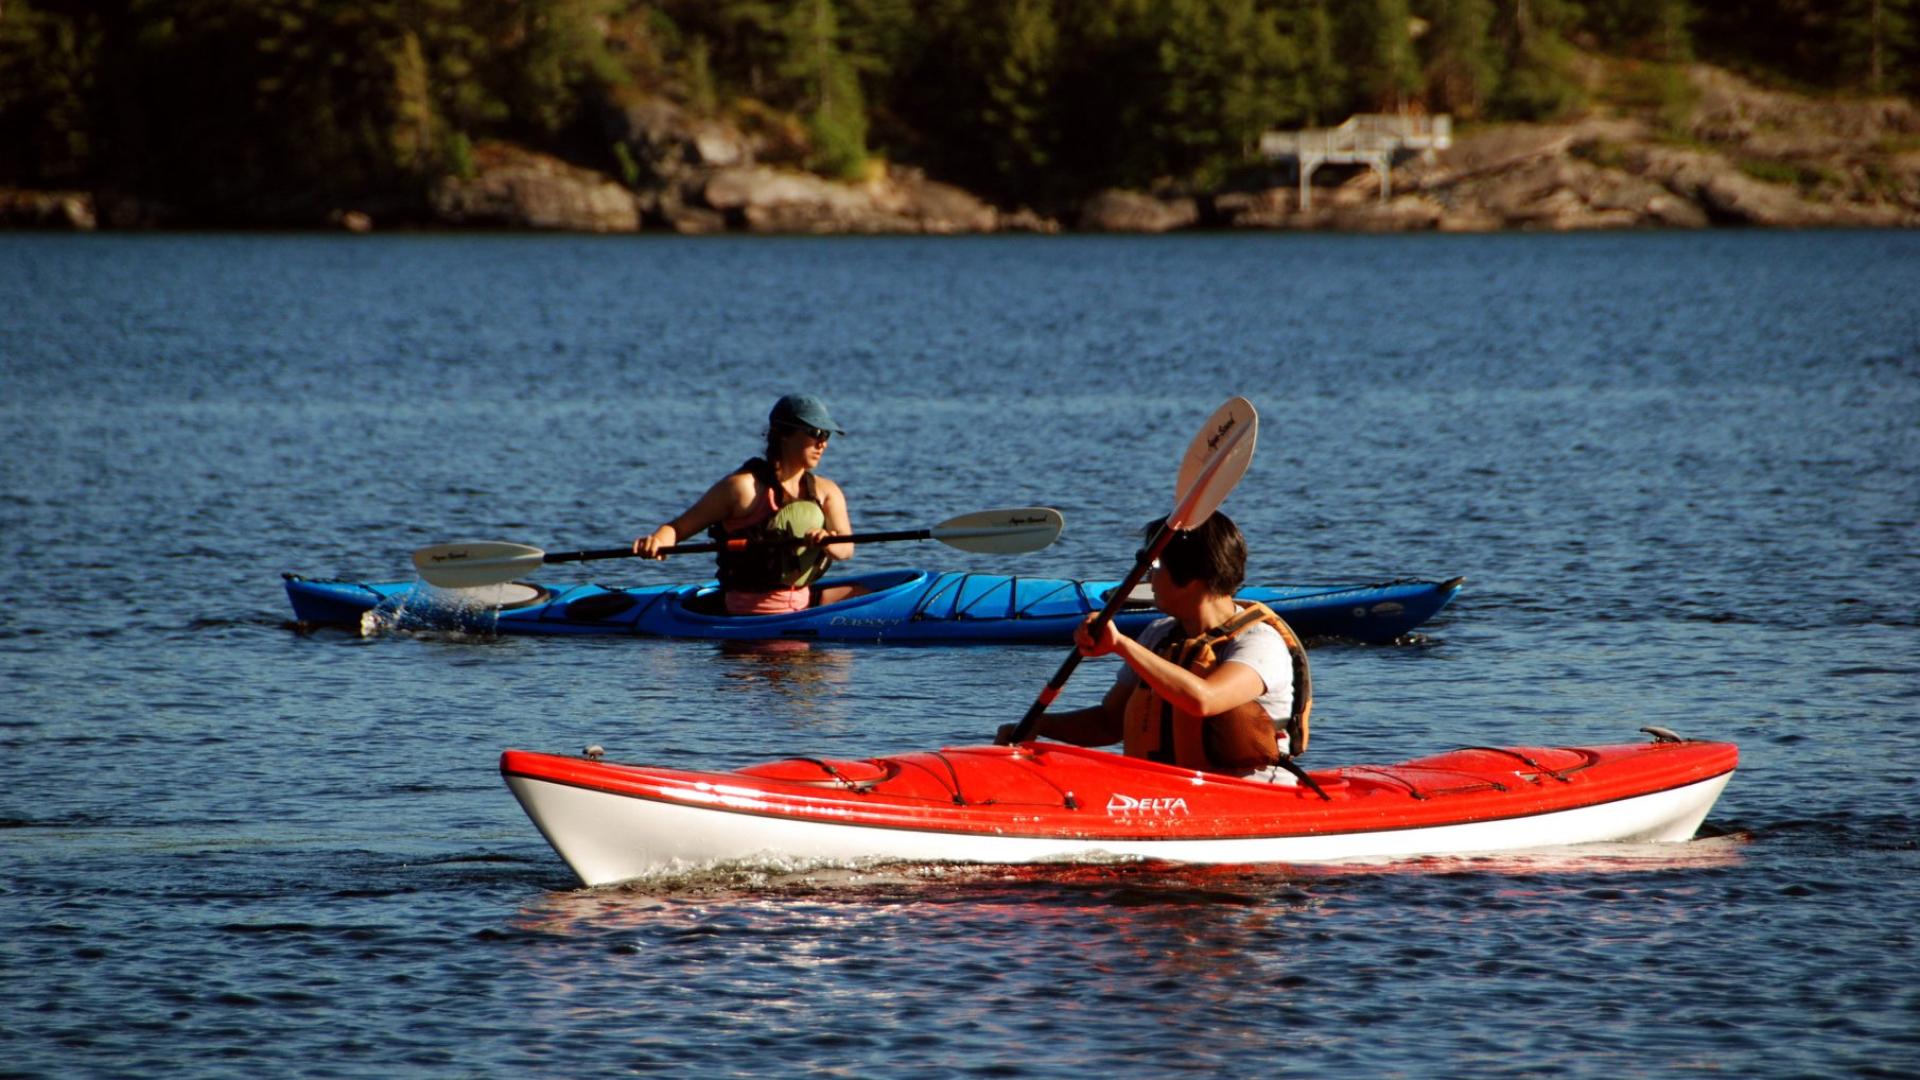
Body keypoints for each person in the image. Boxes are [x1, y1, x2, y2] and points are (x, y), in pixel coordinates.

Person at [1003, 512, 1312, 779]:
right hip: (1165, 793)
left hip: (1247, 795)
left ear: (1192, 578)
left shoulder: (1259, 643)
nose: (1150, 578)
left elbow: (1205, 700)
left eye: (1156, 567)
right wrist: (1037, 726)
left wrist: (1121, 645)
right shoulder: (1158, 635)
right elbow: (1109, 722)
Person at [633, 394, 869, 615]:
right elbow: (677, 529)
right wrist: (657, 541)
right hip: (747, 613)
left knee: (862, 594)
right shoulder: (741, 489)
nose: (822, 443)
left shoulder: (827, 492)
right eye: (814, 432)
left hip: (803, 604)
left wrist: (828, 541)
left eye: (826, 435)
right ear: (783, 434)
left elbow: (846, 549)